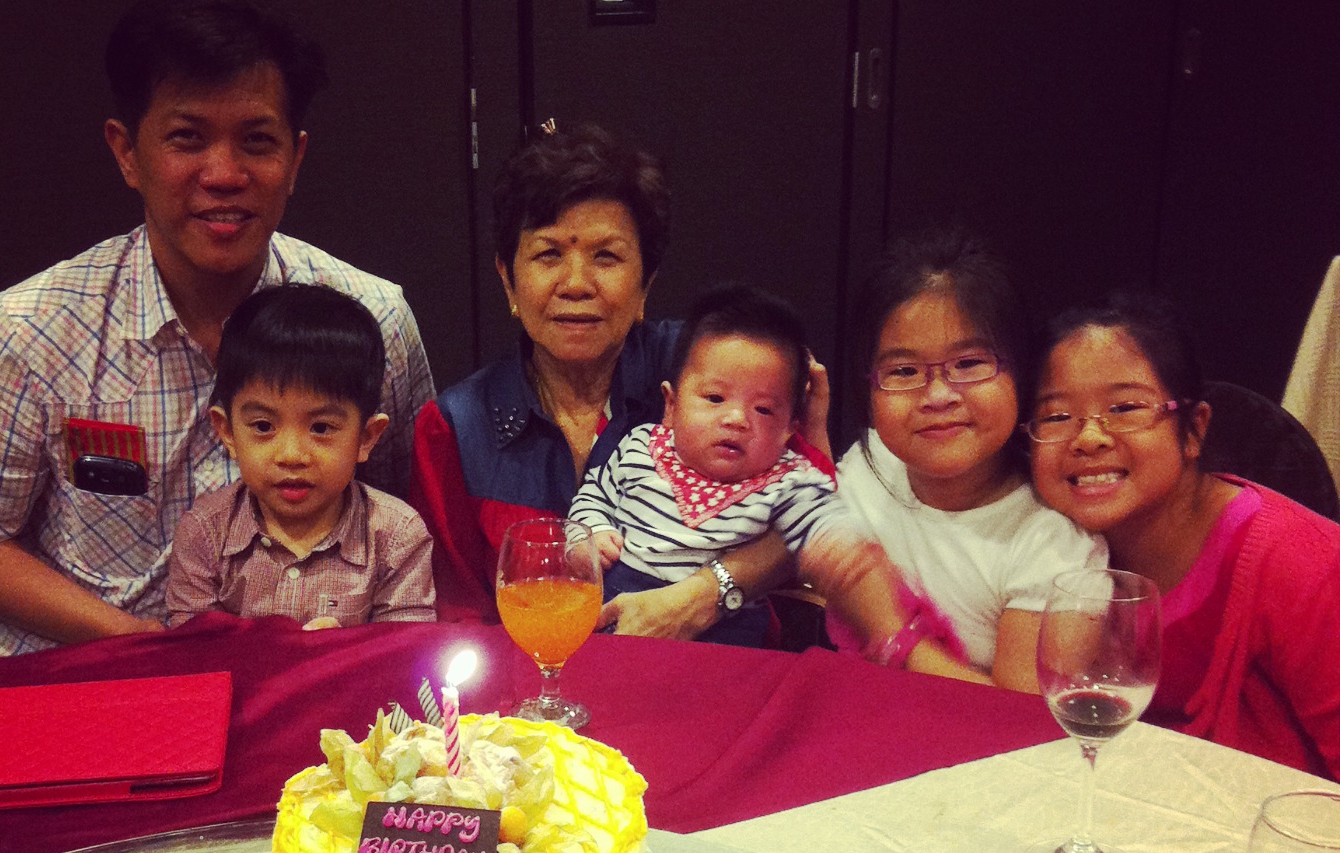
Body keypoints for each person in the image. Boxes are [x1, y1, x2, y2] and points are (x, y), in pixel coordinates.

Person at [0, 0, 434, 664]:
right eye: (187, 138)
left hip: (292, 678)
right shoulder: (25, 333)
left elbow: (391, 509)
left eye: (257, 141)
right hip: (69, 665)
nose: (223, 174)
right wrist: (150, 649)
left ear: (295, 160)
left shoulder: (374, 318)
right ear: (127, 153)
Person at [409, 123, 809, 635]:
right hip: (531, 677)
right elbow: (459, 617)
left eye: (606, 256)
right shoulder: (454, 427)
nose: (576, 284)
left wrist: (705, 594)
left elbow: (819, 513)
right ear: (508, 279)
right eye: (548, 254)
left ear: (646, 284)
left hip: (718, 665)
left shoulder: (713, 371)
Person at [1028, 295, 1340, 778]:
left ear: (1193, 429)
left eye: (1125, 408)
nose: (1089, 438)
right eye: (1056, 417)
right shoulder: (1046, 550)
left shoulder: (1301, 564)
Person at [805, 228, 1104, 690]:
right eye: (904, 371)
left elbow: (1017, 718)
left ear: (1021, 373)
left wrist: (889, 630)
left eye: (969, 364)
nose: (938, 395)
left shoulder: (1052, 544)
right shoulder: (871, 462)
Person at [568, 285, 838, 646]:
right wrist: (591, 533)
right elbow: (594, 494)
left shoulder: (786, 480)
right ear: (671, 405)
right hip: (619, 603)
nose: (736, 419)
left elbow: (830, 527)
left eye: (763, 409)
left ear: (790, 428)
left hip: (728, 632)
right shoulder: (642, 445)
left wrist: (817, 427)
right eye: (714, 398)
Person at [165, 285, 434, 628]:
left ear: (366, 437)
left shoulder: (396, 537)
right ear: (228, 432)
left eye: (321, 428)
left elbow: (406, 647)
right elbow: (193, 647)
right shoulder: (204, 533)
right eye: (263, 426)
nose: (291, 455)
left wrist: (345, 649)